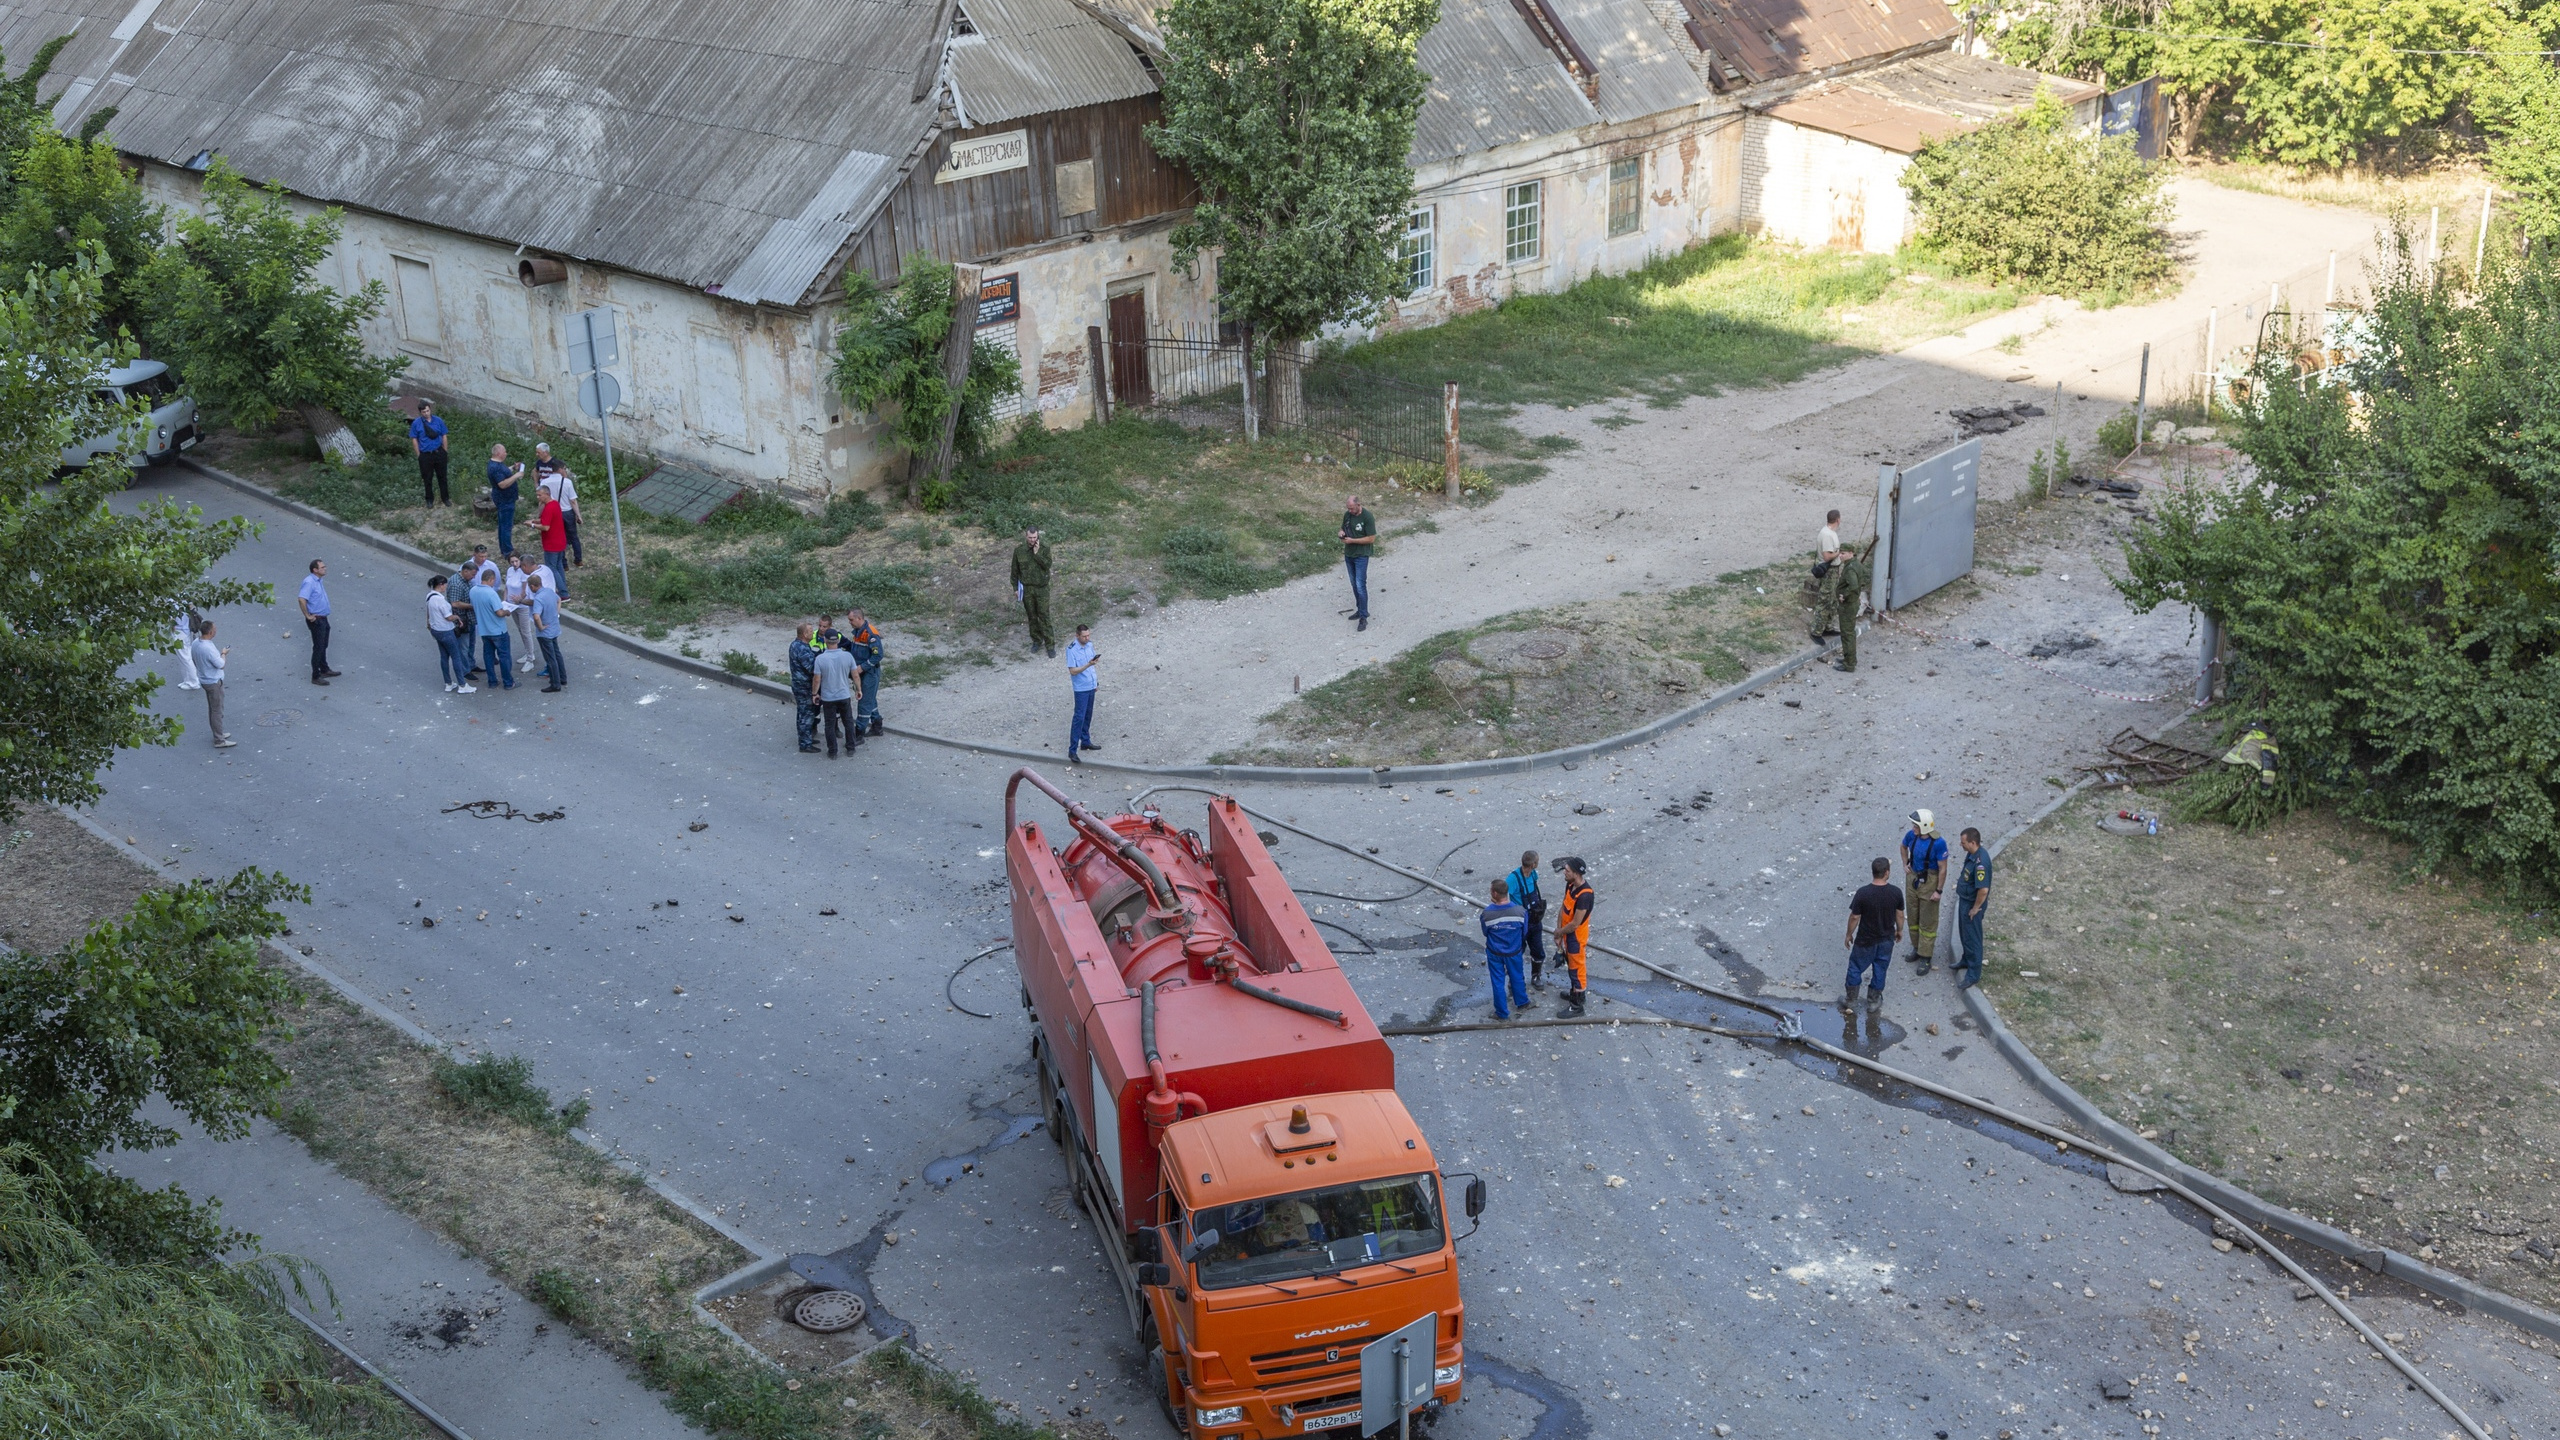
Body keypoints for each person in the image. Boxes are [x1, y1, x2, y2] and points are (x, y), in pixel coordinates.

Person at [1843, 856, 1905, 1009]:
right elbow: (1899, 914)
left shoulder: (1863, 893)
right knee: (1880, 968)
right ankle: (1873, 1001)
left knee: (1855, 967)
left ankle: (1851, 999)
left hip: (1865, 940)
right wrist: (1900, 930)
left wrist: (1849, 934)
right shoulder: (1895, 892)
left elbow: (1855, 917)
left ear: (1873, 872)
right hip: (1886, 939)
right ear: (1887, 873)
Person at [1901, 808, 1949, 974]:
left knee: (1928, 921)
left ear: (1925, 826)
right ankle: (1916, 947)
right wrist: (1905, 863)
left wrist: (1938, 891)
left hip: (1930, 880)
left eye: (1916, 825)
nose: (1913, 828)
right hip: (1913, 878)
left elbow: (1943, 869)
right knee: (1913, 916)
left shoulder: (1939, 843)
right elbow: (1903, 846)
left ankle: (1926, 957)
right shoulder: (1911, 836)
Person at [1480, 879, 1530, 1021]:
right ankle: (1522, 1002)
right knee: (1517, 976)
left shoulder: (1487, 914)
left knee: (1497, 982)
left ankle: (1502, 1013)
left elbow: (1485, 932)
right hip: (1514, 952)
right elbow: (1524, 932)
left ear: (1494, 893)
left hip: (1495, 953)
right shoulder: (1521, 912)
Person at [1553, 856, 1593, 1017]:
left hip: (1575, 937)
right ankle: (1575, 993)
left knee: (1577, 969)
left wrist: (1559, 933)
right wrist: (1558, 930)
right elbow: (1563, 908)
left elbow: (1575, 923)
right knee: (1571, 966)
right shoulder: (1570, 885)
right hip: (1567, 933)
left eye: (1567, 871)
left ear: (1576, 874)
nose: (1564, 873)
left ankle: (1577, 1005)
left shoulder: (1585, 896)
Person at [1953, 827, 1992, 989]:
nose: (1961, 845)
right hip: (1965, 900)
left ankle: (1973, 974)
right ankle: (1966, 959)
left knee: (1973, 938)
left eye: (1963, 843)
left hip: (1972, 904)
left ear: (1973, 842)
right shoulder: (1971, 854)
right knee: (1964, 933)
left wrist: (1976, 908)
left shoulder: (1981, 863)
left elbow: (1983, 890)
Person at [1504, 850, 1549, 988]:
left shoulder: (1533, 874)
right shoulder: (1513, 879)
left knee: (1538, 950)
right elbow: (1503, 897)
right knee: (1517, 951)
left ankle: (1536, 976)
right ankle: (1515, 979)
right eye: (1538, 862)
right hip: (1520, 922)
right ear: (1533, 864)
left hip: (1534, 920)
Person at [469, 565, 517, 688]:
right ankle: (508, 682)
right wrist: (507, 612)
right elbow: (499, 612)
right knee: (504, 656)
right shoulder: (491, 593)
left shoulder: (473, 591)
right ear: (491, 579)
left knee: (488, 656)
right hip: (498, 630)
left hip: (484, 630)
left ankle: (492, 681)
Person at [812, 638, 860, 757]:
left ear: (825, 640)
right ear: (838, 640)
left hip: (828, 697)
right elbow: (855, 675)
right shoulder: (848, 656)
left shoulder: (820, 659)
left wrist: (814, 694)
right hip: (844, 695)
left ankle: (833, 751)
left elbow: (817, 679)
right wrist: (858, 689)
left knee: (829, 724)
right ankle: (851, 747)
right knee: (848, 722)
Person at [191, 618, 235, 748]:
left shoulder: (195, 643)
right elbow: (220, 664)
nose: (216, 631)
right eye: (214, 629)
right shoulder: (208, 648)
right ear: (210, 632)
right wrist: (223, 653)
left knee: (213, 708)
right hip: (213, 681)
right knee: (216, 710)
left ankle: (218, 732)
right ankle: (219, 739)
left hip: (204, 679)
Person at [1010, 528, 1054, 656]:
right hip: (1027, 589)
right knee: (1032, 616)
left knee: (1044, 616)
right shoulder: (1019, 551)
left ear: (1037, 536)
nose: (1033, 540)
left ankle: (1050, 644)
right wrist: (1015, 588)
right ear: (1026, 537)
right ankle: (1036, 640)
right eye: (1030, 538)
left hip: (1042, 588)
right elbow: (1014, 571)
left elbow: (1047, 565)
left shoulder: (1044, 548)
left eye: (1035, 537)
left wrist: (1037, 554)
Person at [427, 575, 474, 693]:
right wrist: (457, 617)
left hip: (436, 630)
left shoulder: (430, 596)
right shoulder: (441, 600)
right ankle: (462, 685)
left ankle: (448, 683)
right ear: (441, 585)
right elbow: (448, 617)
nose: (446, 587)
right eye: (445, 585)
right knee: (456, 656)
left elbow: (428, 612)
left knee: (444, 656)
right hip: (446, 631)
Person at [1338, 495, 1377, 631]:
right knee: (1354, 583)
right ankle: (1360, 609)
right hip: (1349, 554)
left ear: (1358, 504)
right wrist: (1341, 533)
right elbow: (1343, 528)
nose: (1349, 511)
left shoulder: (1367, 517)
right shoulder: (1347, 515)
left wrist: (1352, 541)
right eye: (1348, 508)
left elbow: (1371, 538)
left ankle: (1364, 617)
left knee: (1361, 585)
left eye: (1352, 508)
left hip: (1361, 555)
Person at [1064, 624, 1100, 764]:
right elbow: (1073, 671)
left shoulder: (1089, 645)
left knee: (1088, 715)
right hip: (1081, 688)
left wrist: (1095, 682)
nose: (1087, 638)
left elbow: (1092, 667)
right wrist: (1088, 664)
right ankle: (1072, 750)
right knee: (1079, 717)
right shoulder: (1071, 650)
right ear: (1077, 635)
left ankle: (1085, 741)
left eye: (1088, 635)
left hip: (1090, 685)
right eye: (1084, 636)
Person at [297, 559, 336, 685]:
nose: (325, 568)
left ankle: (324, 668)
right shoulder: (309, 582)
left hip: (323, 618)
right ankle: (316, 675)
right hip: (316, 620)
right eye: (322, 567)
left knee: (324, 644)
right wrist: (307, 615)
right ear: (315, 569)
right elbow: (302, 599)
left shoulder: (318, 581)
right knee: (318, 647)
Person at [846, 608, 884, 736]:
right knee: (870, 699)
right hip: (861, 672)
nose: (849, 622)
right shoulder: (858, 632)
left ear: (859, 618)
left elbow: (877, 655)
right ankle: (877, 725)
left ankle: (859, 733)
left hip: (870, 673)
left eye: (851, 620)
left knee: (864, 702)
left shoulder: (870, 634)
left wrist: (861, 668)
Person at [527, 573, 567, 692]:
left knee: (550, 659)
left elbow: (536, 616)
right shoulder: (549, 591)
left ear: (533, 586)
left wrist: (541, 627)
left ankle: (555, 683)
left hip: (545, 633)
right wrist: (556, 614)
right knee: (557, 654)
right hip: (554, 629)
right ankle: (562, 677)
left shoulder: (538, 599)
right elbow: (559, 600)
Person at [502, 554, 539, 672]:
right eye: (512, 562)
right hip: (512, 605)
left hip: (522, 605)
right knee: (520, 629)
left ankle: (530, 659)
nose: (514, 564)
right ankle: (528, 652)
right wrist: (504, 601)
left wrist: (519, 599)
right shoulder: (510, 571)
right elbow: (507, 588)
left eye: (516, 561)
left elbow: (525, 589)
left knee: (526, 631)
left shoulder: (523, 572)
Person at [788, 623, 821, 753]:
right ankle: (805, 744)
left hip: (800, 685)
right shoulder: (802, 649)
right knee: (805, 715)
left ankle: (806, 738)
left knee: (804, 713)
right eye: (811, 631)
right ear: (804, 634)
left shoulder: (797, 645)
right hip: (804, 687)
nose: (813, 633)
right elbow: (812, 668)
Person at [411, 400, 450, 506]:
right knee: (427, 478)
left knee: (442, 477)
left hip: (438, 452)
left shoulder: (438, 421)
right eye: (424, 412)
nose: (426, 413)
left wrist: (445, 451)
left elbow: (444, 435)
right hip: (425, 454)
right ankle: (429, 500)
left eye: (428, 411)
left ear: (430, 410)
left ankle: (445, 498)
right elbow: (414, 439)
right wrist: (419, 454)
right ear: (420, 413)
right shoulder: (416, 423)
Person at [486, 444, 523, 555]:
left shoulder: (495, 465)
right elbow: (502, 484)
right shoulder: (496, 468)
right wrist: (516, 475)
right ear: (498, 454)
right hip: (505, 499)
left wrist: (512, 468)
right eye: (504, 451)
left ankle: (504, 548)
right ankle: (508, 551)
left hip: (503, 498)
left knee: (503, 524)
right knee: (506, 526)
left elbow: (503, 473)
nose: (506, 453)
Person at [537, 492, 570, 600]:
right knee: (559, 566)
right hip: (560, 541)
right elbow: (546, 520)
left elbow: (545, 527)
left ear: (546, 494)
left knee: (551, 568)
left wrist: (532, 525)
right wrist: (535, 521)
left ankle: (563, 593)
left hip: (551, 544)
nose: (538, 497)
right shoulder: (555, 504)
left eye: (539, 495)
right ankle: (563, 588)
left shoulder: (548, 508)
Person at [172, 605, 201, 689]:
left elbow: (172, 618)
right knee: (186, 655)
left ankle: (193, 682)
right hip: (185, 629)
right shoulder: (184, 596)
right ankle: (187, 680)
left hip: (179, 630)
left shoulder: (172, 601)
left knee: (184, 657)